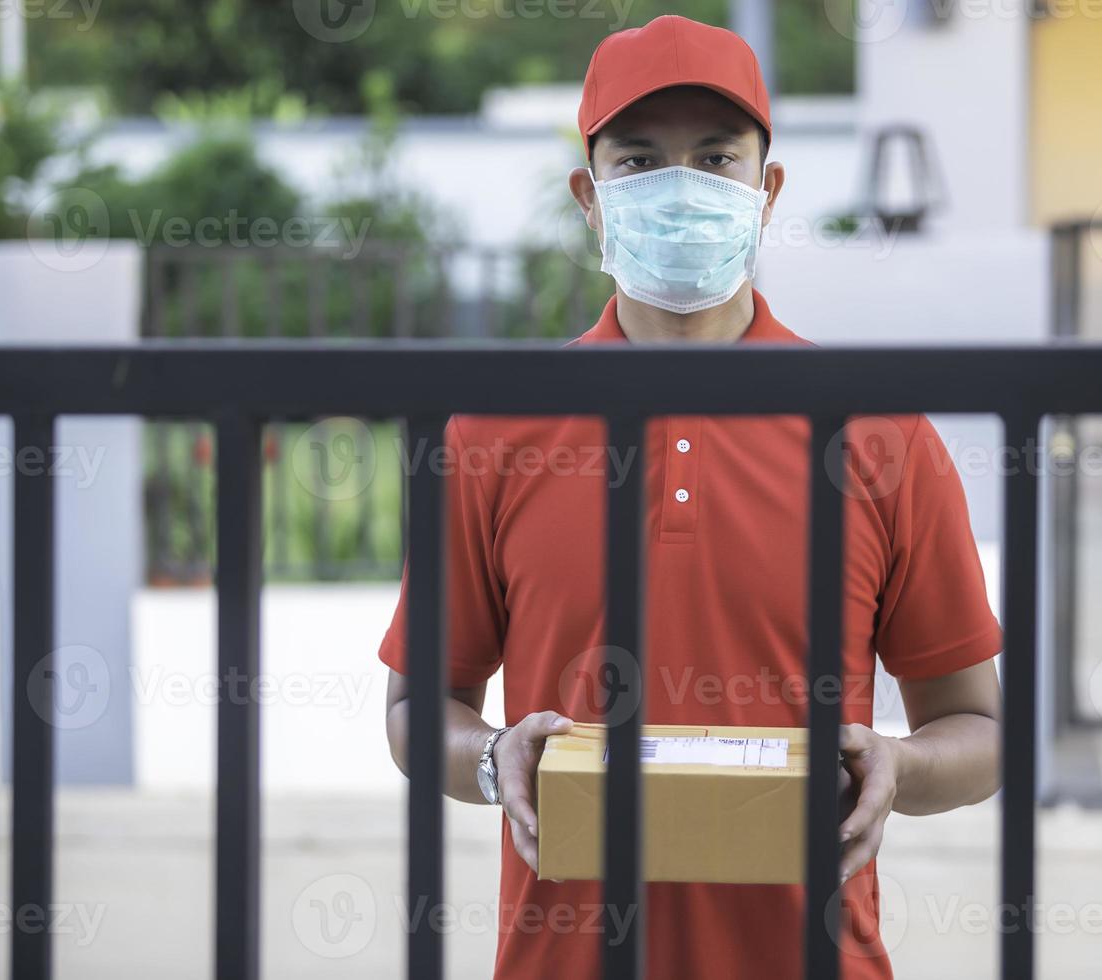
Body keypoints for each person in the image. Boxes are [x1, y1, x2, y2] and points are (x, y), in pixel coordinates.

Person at [379, 15, 1003, 978]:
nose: (681, 189)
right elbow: (419, 706)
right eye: (638, 162)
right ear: (588, 196)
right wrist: (489, 755)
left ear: (767, 190)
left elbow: (978, 729)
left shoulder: (879, 433)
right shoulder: (493, 430)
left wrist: (900, 765)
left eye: (716, 158)